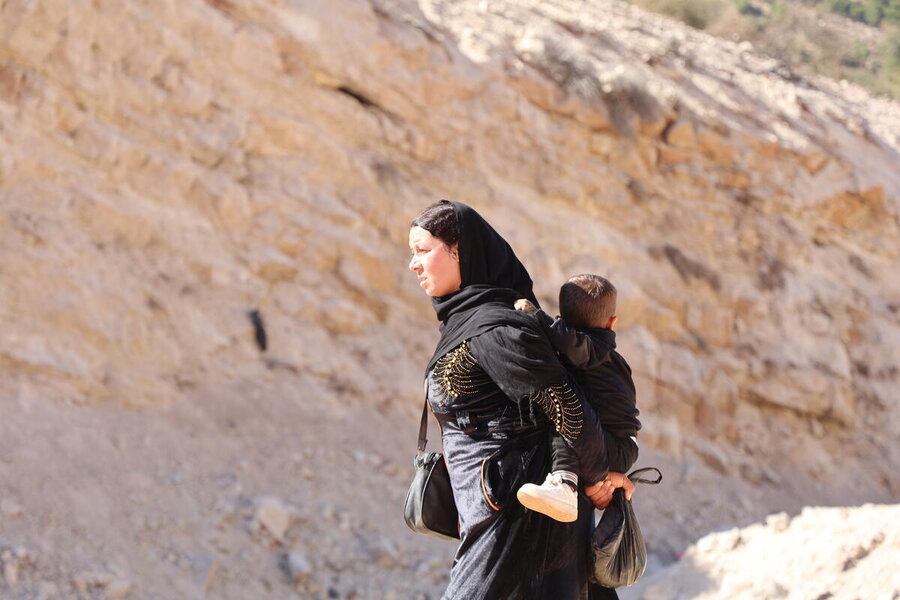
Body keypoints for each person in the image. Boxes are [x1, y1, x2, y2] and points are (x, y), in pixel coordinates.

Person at [407, 200, 629, 599]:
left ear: (463, 251)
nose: (414, 264)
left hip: (518, 524)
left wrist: (597, 479)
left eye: (423, 250)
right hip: (492, 522)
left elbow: (569, 410)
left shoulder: (498, 329)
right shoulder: (469, 321)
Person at [514, 274, 641, 523]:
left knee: (565, 414)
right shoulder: (604, 356)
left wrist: (537, 316)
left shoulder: (594, 350)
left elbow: (574, 346)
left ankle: (565, 486)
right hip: (618, 441)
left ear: (561, 320)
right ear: (611, 322)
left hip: (618, 445)